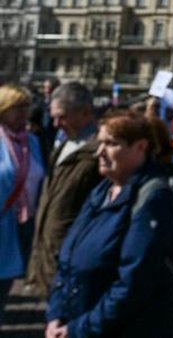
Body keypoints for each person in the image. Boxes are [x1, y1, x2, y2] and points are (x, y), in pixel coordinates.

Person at [45, 110, 173, 337]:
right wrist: (56, 315)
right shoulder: (102, 191)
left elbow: (133, 284)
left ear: (140, 147)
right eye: (100, 143)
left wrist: (78, 329)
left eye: (111, 144)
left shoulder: (152, 200)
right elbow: (67, 260)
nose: (100, 152)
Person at [26, 82, 103, 298]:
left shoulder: (99, 150)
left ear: (85, 113)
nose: (56, 123)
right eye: (53, 117)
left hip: (73, 255)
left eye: (62, 117)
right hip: (50, 252)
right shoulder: (64, 144)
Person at [0, 84, 45, 324]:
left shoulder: (33, 142)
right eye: (16, 108)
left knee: (6, 284)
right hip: (1, 220)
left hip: (23, 223)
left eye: (25, 107)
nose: (23, 113)